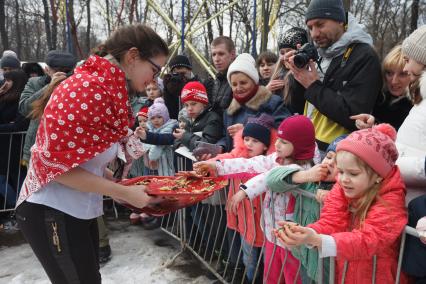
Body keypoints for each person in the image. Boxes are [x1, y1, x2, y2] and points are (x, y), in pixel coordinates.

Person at [15, 24, 169, 284]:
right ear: (132, 57)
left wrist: (118, 182)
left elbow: (84, 158)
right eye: (155, 69)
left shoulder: (106, 89)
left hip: (74, 209)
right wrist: (123, 192)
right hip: (52, 208)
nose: (154, 79)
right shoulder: (88, 89)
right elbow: (56, 167)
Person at [275, 124, 408, 284]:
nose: (343, 179)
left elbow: (370, 239)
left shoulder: (391, 197)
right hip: (346, 271)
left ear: (378, 173)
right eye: (341, 171)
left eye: (353, 173)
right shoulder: (342, 187)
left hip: (378, 276)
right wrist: (308, 232)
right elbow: (331, 221)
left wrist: (319, 240)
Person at [195, 115, 318, 284]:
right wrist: (216, 165)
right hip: (272, 232)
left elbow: (271, 176)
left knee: (292, 278)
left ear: (299, 145)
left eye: (284, 142)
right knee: (271, 275)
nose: (277, 144)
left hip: (291, 239)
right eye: (279, 139)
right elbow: (251, 164)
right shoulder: (278, 158)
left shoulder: (303, 168)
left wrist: (244, 191)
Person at [285, 0, 382, 153]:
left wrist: (312, 86)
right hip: (309, 146)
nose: (314, 33)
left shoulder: (364, 56)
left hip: (340, 153)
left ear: (340, 20)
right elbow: (297, 107)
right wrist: (297, 74)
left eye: (320, 24)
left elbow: (353, 116)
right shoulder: (319, 54)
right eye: (310, 27)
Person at [264, 135, 347, 283]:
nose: (330, 163)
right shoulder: (310, 183)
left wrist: (335, 196)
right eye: (328, 157)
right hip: (305, 256)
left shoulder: (348, 192)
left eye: (339, 162)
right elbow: (271, 180)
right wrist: (306, 175)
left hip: (329, 264)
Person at [213, 114, 278, 283]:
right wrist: (211, 164)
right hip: (245, 216)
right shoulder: (238, 155)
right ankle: (250, 278)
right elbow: (225, 159)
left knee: (267, 256)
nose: (249, 143)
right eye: (246, 138)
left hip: (264, 220)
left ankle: (263, 278)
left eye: (255, 141)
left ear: (265, 146)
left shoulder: (269, 163)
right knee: (248, 254)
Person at [217, 53, 291, 152]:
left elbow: (285, 132)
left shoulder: (273, 102)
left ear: (254, 81)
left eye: (243, 83)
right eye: (234, 84)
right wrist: (220, 147)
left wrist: (248, 130)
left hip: (264, 164)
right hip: (236, 164)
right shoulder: (229, 111)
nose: (238, 88)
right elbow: (225, 138)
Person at [18, 50, 77, 167]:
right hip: (38, 148)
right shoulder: (34, 83)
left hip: (68, 149)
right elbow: (24, 109)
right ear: (46, 69)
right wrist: (49, 87)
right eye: (56, 70)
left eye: (66, 71)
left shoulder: (79, 85)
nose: (61, 74)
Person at [0, 70, 29, 208]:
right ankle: (17, 206)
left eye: (9, 80)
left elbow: (19, 125)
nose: (5, 83)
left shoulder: (21, 100)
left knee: (17, 178)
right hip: (4, 146)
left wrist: (4, 127)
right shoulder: (5, 96)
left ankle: (20, 207)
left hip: (15, 147)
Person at [173, 81, 223, 151]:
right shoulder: (189, 120)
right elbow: (176, 142)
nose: (189, 109)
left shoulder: (212, 119)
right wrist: (180, 143)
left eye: (193, 104)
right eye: (186, 105)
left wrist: (184, 136)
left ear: (204, 103)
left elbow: (207, 146)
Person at [269, 27, 309, 115]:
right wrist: (266, 91)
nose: (284, 57)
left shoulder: (300, 76)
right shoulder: (278, 75)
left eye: (289, 51)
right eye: (282, 53)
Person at [372, 45, 412, 130]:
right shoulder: (377, 98)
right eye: (389, 73)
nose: (394, 81)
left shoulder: (418, 108)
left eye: (403, 74)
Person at [143, 97, 177, 176]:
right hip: (154, 165)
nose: (156, 120)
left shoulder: (168, 127)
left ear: (165, 117)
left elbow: (158, 145)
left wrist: (152, 157)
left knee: (167, 180)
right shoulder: (150, 128)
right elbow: (145, 145)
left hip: (167, 162)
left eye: (159, 117)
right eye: (152, 118)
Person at [204, 36, 236, 116]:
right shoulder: (211, 83)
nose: (216, 59)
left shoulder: (240, 81)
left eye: (221, 54)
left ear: (232, 54)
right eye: (213, 54)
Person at [163, 54, 199, 119]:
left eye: (183, 73)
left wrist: (189, 84)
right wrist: (167, 88)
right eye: (177, 74)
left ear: (189, 70)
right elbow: (169, 111)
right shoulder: (171, 86)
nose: (181, 77)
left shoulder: (201, 83)